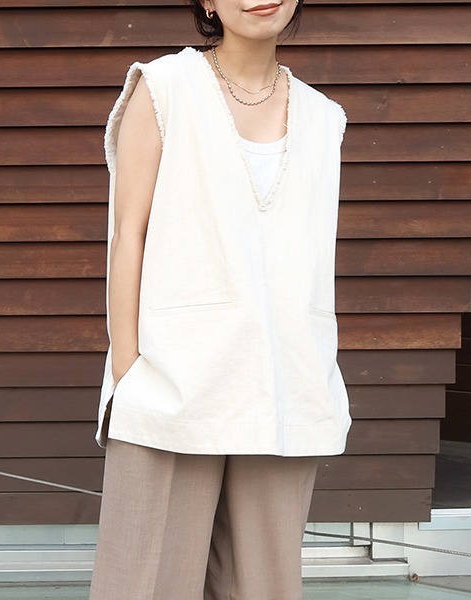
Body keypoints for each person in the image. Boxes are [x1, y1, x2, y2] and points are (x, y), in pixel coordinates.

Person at [89, 0, 351, 598]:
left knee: (264, 587)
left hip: (285, 394)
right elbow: (128, 233)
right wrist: (128, 372)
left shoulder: (323, 117)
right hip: (172, 385)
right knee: (145, 584)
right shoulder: (164, 87)